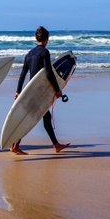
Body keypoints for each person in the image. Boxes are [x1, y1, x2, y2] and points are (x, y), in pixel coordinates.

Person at [12, 26, 70, 155]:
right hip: (38, 92)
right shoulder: (45, 52)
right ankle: (15, 145)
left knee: (45, 117)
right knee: (29, 119)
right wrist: (57, 89)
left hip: (29, 90)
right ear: (47, 39)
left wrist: (18, 91)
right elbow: (49, 73)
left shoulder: (29, 54)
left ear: (36, 38)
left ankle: (56, 145)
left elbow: (23, 73)